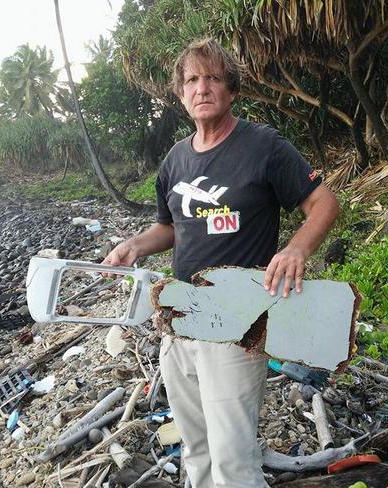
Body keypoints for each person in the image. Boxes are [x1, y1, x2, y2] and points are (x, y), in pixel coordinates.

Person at [103, 38, 339, 488]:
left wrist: (296, 249)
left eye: (213, 78)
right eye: (192, 79)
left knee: (233, 457)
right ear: (180, 95)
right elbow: (172, 227)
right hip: (179, 320)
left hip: (237, 322)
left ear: (231, 89)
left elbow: (323, 202)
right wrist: (136, 245)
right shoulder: (175, 160)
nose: (202, 87)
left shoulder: (263, 146)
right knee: (196, 448)